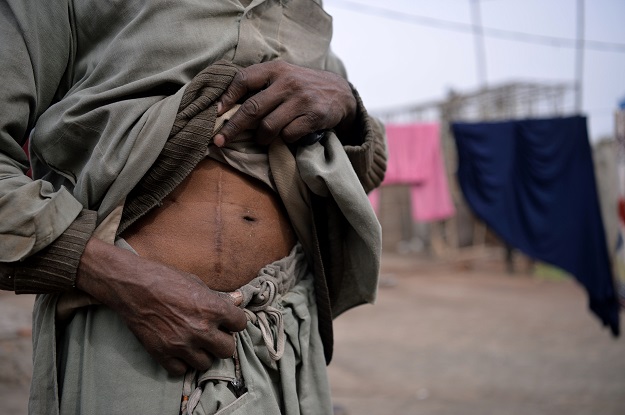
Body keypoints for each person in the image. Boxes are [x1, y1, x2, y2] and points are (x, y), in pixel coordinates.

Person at [0, 0, 387, 414]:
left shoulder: (303, 14)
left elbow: (367, 168)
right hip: (129, 333)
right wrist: (117, 279)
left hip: (284, 339)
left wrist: (347, 105)